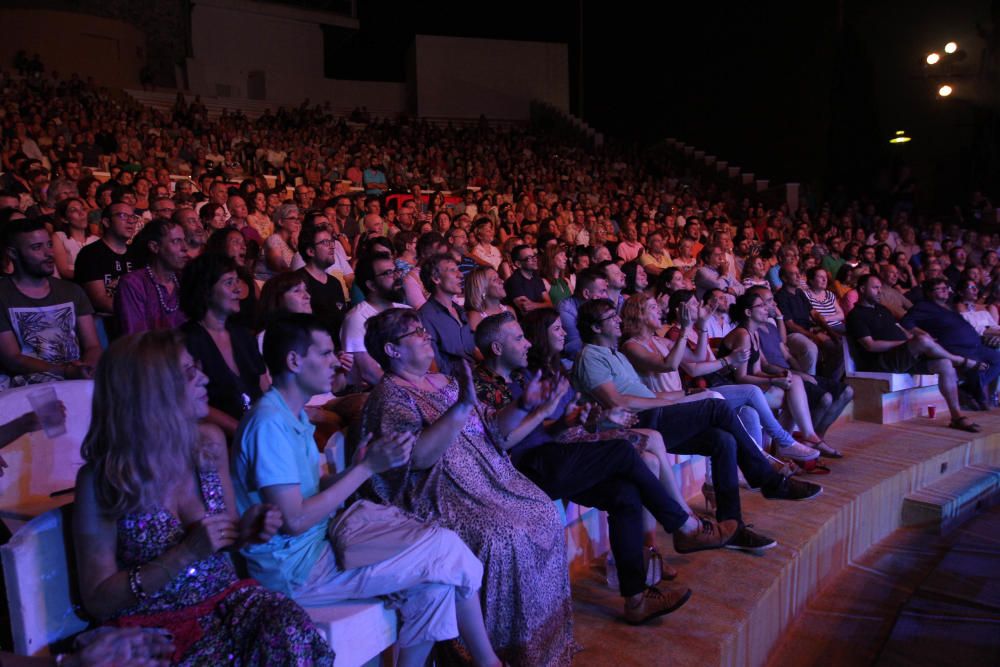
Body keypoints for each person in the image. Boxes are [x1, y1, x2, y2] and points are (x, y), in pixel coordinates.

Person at [232, 314, 502, 667]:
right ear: (294, 361)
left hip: (320, 545)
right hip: (296, 570)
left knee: (435, 586)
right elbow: (294, 520)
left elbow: (306, 496)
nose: (335, 362)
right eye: (326, 353)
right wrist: (364, 469)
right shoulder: (268, 424)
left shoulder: (291, 414)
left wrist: (353, 471)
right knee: (447, 549)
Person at [73, 329, 334, 665]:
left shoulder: (207, 445)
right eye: (188, 373)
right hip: (150, 631)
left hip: (225, 604)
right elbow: (97, 599)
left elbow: (226, 539)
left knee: (289, 626)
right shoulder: (102, 479)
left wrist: (247, 530)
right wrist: (184, 554)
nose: (204, 379)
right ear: (149, 391)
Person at [473, 311, 734, 622]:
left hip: (554, 456)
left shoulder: (519, 377)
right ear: (497, 348)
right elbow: (502, 443)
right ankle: (682, 524)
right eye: (518, 338)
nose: (527, 343)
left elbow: (543, 431)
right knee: (624, 451)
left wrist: (566, 422)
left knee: (625, 495)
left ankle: (636, 600)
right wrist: (549, 418)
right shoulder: (482, 387)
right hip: (523, 472)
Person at [361, 308, 575, 666]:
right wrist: (460, 408)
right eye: (415, 333)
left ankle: (542, 648)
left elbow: (493, 429)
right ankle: (492, 653)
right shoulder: (389, 397)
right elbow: (420, 458)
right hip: (442, 493)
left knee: (541, 511)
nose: (426, 336)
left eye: (423, 330)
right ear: (392, 350)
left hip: (491, 480)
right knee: (501, 536)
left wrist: (524, 403)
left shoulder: (445, 381)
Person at [572, 298, 822, 546]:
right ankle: (767, 478)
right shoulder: (591, 356)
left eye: (616, 315)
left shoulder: (615, 354)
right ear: (595, 328)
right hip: (638, 422)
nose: (617, 319)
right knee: (717, 406)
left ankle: (732, 525)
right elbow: (618, 401)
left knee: (722, 440)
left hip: (655, 413)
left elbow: (650, 393)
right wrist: (670, 403)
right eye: (610, 317)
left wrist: (686, 395)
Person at [846, 274, 982, 432]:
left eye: (880, 288)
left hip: (903, 357)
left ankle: (957, 416)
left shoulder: (882, 309)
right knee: (923, 340)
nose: (880, 292)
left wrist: (912, 339)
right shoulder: (856, 315)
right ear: (862, 289)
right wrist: (908, 343)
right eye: (875, 288)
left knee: (944, 363)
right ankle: (959, 360)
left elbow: (900, 330)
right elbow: (870, 346)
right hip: (882, 362)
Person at [721, 292, 844, 459]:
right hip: (736, 389)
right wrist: (773, 380)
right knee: (792, 398)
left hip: (751, 385)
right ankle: (791, 443)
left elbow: (757, 371)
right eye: (761, 306)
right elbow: (740, 378)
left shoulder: (754, 333)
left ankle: (793, 441)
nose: (766, 309)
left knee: (794, 381)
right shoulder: (742, 335)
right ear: (748, 313)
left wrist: (779, 377)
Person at [0, 219, 101, 387]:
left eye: (49, 244)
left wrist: (87, 368)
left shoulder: (72, 291)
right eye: (37, 247)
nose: (49, 253)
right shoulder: (3, 295)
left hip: (75, 378)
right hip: (24, 388)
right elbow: (12, 359)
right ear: (13, 253)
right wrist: (65, 371)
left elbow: (92, 345)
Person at [179, 253, 267, 436]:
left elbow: (263, 385)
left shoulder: (243, 334)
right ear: (206, 291)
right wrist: (243, 432)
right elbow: (193, 403)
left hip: (258, 428)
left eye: (237, 281)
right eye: (229, 282)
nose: (238, 289)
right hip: (217, 438)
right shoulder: (185, 341)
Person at [900, 277, 1000, 411]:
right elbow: (906, 322)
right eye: (940, 289)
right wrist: (923, 334)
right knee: (976, 364)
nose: (945, 290)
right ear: (929, 293)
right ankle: (978, 397)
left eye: (946, 288)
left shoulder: (949, 307)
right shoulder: (924, 306)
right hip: (953, 347)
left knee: (997, 358)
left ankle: (967, 390)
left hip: (976, 345)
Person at [340, 252, 409, 387]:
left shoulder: (406, 310)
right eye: (389, 273)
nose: (397, 276)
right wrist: (410, 393)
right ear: (371, 285)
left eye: (396, 270)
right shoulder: (357, 319)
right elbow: (369, 373)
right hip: (381, 394)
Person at [114, 219, 189, 335]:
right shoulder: (133, 283)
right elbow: (136, 338)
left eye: (184, 240)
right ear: (154, 247)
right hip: (151, 352)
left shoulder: (184, 280)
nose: (185, 248)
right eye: (176, 241)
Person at [75, 202, 138, 317]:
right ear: (107, 222)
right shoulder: (90, 254)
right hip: (105, 323)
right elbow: (99, 300)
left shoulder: (137, 253)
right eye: (123, 216)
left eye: (133, 217)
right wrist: (137, 310)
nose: (130, 221)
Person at [418, 253, 477, 375]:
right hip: (454, 384)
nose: (460, 275)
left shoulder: (460, 311)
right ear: (436, 278)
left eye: (459, 270)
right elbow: (434, 368)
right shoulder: (425, 317)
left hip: (475, 376)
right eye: (452, 270)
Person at [557, 267, 609, 359]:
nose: (606, 296)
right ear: (586, 293)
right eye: (602, 291)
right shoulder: (566, 311)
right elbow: (574, 350)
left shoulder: (599, 306)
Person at [51, 196, 98, 280]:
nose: (81, 213)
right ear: (64, 219)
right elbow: (64, 271)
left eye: (82, 209)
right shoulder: (59, 237)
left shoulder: (96, 240)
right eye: (74, 210)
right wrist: (93, 278)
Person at [504, 244, 551, 314]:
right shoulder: (514, 281)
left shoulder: (536, 278)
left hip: (541, 319)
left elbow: (550, 304)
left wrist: (535, 305)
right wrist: (542, 305)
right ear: (518, 264)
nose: (535, 259)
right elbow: (526, 310)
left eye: (534, 256)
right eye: (529, 258)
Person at [464, 266, 511, 332]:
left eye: (499, 277)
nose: (502, 281)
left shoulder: (509, 310)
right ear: (482, 289)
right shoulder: (475, 317)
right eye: (495, 279)